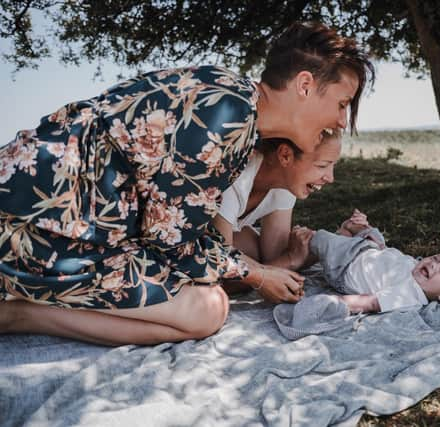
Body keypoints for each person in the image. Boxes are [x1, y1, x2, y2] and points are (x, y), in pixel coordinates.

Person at [0, 22, 374, 346]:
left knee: (207, 297)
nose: (342, 120)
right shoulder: (225, 120)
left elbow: (178, 226)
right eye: (342, 103)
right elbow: (173, 246)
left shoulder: (230, 100)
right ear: (305, 85)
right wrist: (257, 274)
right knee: (207, 311)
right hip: (40, 232)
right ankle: (14, 313)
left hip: (63, 221)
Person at [213, 131, 341, 301]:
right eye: (322, 165)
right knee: (244, 254)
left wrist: (338, 240)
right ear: (285, 155)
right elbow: (221, 265)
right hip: (183, 253)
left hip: (217, 250)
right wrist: (288, 261)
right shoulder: (234, 175)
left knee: (250, 249)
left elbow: (273, 256)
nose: (330, 178)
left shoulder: (285, 182)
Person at [294, 210, 440, 314]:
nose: (433, 265)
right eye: (436, 258)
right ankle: (349, 231)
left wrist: (336, 302)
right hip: (370, 251)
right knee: (370, 231)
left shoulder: (408, 295)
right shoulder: (418, 268)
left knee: (320, 239)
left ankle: (297, 245)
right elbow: (390, 258)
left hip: (345, 266)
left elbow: (370, 302)